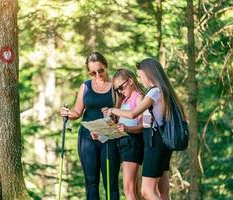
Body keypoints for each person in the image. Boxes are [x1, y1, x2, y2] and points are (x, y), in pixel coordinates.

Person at [106, 58, 186, 200]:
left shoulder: (154, 92)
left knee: (147, 191)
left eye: (141, 76)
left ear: (150, 73)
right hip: (163, 143)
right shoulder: (165, 91)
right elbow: (146, 123)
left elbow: (133, 113)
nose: (141, 80)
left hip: (154, 143)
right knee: (163, 191)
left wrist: (113, 110)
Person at [60, 52, 121, 199]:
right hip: (87, 139)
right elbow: (77, 112)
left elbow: (120, 114)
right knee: (91, 183)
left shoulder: (116, 86)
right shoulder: (86, 86)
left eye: (100, 70)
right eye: (92, 72)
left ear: (106, 66)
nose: (97, 75)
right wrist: (66, 113)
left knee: (111, 183)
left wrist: (112, 116)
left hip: (109, 138)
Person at [102, 68, 145, 200]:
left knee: (129, 189)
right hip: (123, 143)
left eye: (121, 87)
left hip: (133, 142)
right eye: (117, 90)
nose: (120, 91)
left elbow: (144, 126)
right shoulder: (124, 101)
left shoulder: (139, 98)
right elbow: (119, 126)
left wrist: (128, 129)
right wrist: (102, 132)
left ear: (130, 81)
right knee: (132, 189)